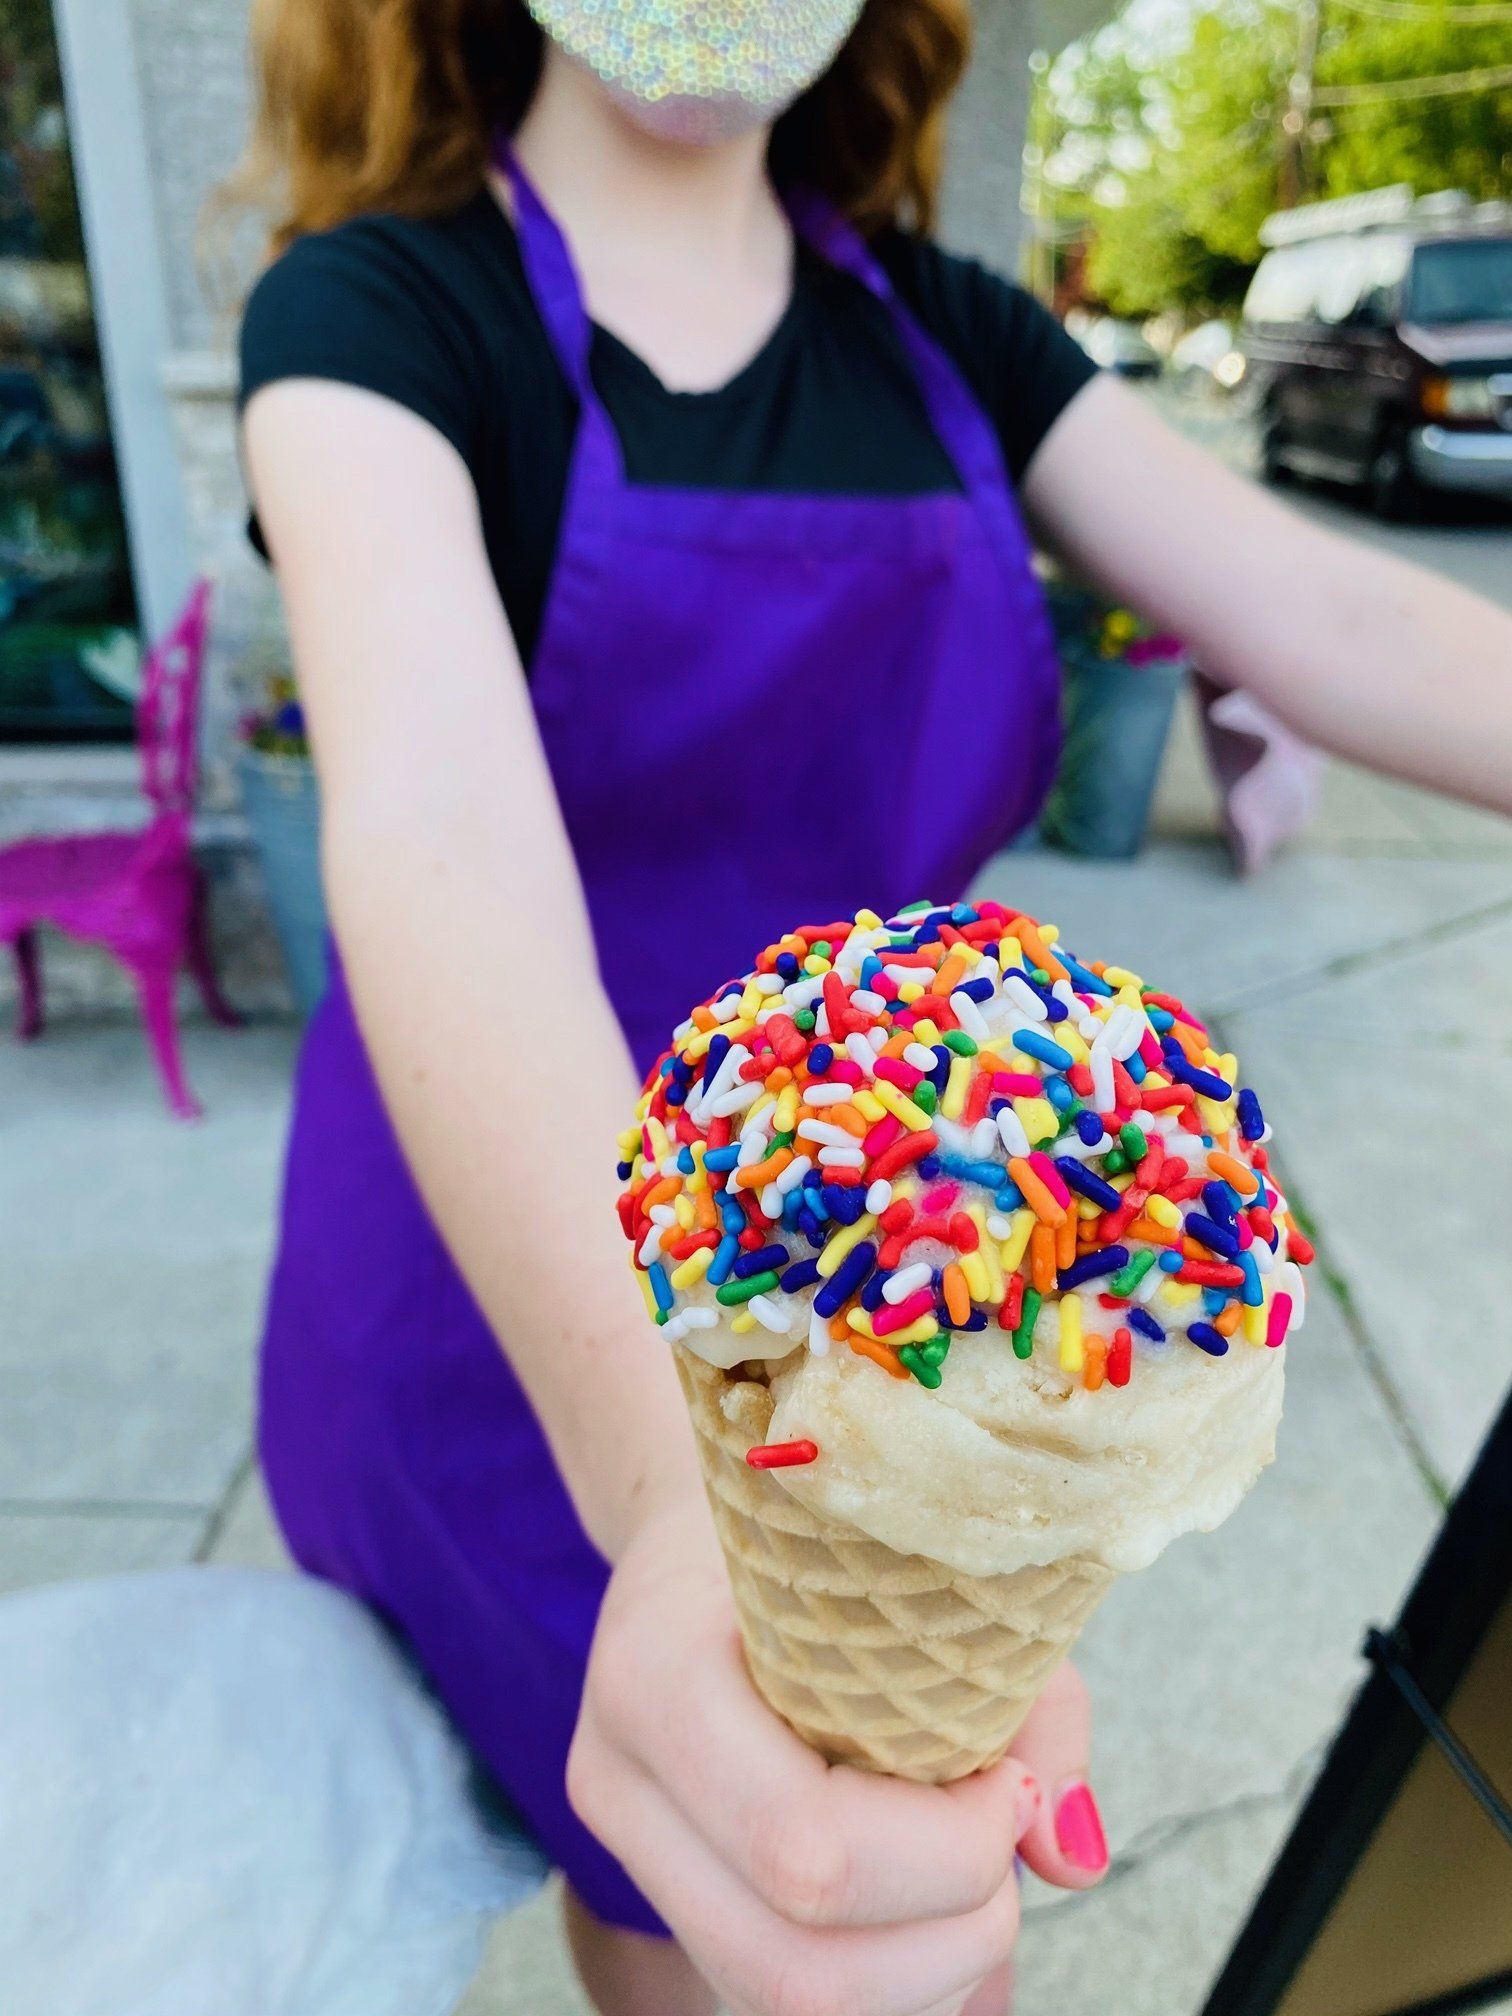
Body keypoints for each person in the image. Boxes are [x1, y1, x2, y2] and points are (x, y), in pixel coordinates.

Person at [236, 1, 1512, 2010]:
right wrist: (684, 1502)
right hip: (520, 1298)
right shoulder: (376, 315)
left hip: (908, 1297)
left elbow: (1339, 615)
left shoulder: (952, 338)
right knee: (682, 1907)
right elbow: (436, 831)